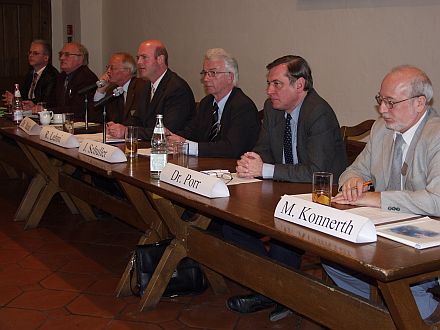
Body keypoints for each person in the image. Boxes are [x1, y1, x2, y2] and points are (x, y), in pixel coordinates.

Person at [224, 55, 346, 322]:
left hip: (322, 196)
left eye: (276, 84)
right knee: (229, 223)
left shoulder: (319, 113)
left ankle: (278, 293)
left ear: (299, 84)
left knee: (283, 231)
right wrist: (251, 161)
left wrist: (265, 170)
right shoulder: (271, 108)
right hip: (283, 189)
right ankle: (278, 289)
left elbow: (316, 172)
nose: (269, 91)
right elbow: (263, 149)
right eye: (268, 84)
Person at [324, 65, 440, 325]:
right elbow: (354, 170)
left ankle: (417, 309)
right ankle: (402, 309)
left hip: (429, 239)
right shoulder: (381, 130)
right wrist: (352, 181)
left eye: (391, 102)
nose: (383, 109)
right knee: (333, 259)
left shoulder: (437, 135)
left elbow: (437, 200)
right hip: (388, 233)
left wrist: (376, 198)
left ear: (420, 103)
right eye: (380, 100)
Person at [166, 48, 260, 158]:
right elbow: (191, 132)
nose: (205, 79)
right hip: (208, 165)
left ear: (230, 77)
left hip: (233, 169)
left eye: (212, 73)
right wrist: (171, 137)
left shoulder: (243, 106)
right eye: (205, 73)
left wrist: (187, 146)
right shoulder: (207, 103)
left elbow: (231, 148)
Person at [107, 39, 195, 140]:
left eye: (144, 57)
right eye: (138, 58)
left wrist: (128, 132)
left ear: (160, 59)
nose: (139, 62)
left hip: (172, 151)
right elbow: (137, 119)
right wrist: (118, 128)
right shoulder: (146, 86)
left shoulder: (177, 88)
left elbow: (166, 131)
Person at [92, 52, 147, 127]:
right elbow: (97, 119)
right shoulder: (112, 91)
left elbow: (138, 120)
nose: (108, 71)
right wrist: (100, 90)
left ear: (127, 71)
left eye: (112, 68)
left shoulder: (142, 88)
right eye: (107, 67)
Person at [2, 39, 59, 111]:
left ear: (46, 58)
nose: (31, 55)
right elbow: (24, 97)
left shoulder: (51, 75)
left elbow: (44, 102)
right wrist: (16, 100)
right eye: (30, 52)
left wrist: (16, 101)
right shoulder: (30, 74)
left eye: (35, 53)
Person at [54, 42, 98, 120]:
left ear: (80, 58)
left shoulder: (87, 78)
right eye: (61, 54)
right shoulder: (61, 76)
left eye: (67, 55)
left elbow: (78, 110)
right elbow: (54, 101)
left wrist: (49, 111)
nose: (62, 58)